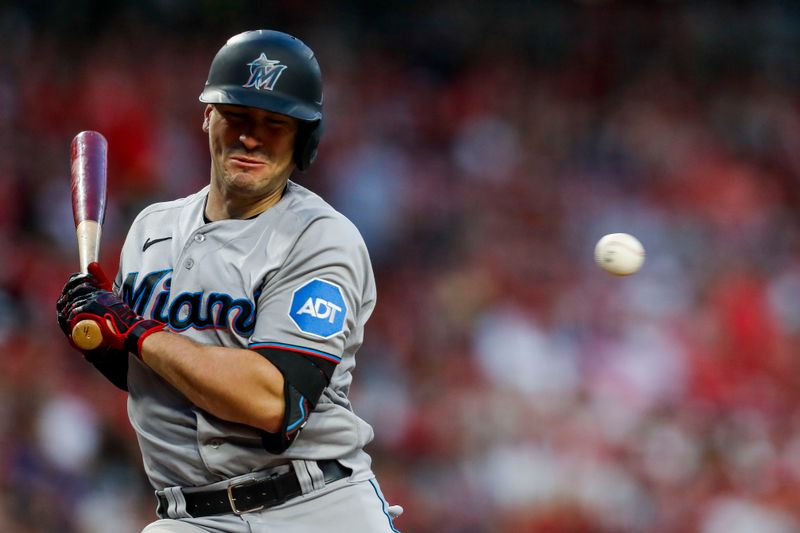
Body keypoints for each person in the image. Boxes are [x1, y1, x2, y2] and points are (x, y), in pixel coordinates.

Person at [56, 29, 402, 533]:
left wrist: (135, 332)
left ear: (304, 139)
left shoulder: (322, 239)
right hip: (189, 517)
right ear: (207, 116)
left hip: (314, 508)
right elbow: (167, 373)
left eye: (274, 124)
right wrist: (103, 339)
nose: (251, 136)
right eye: (237, 115)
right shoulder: (151, 230)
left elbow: (272, 400)